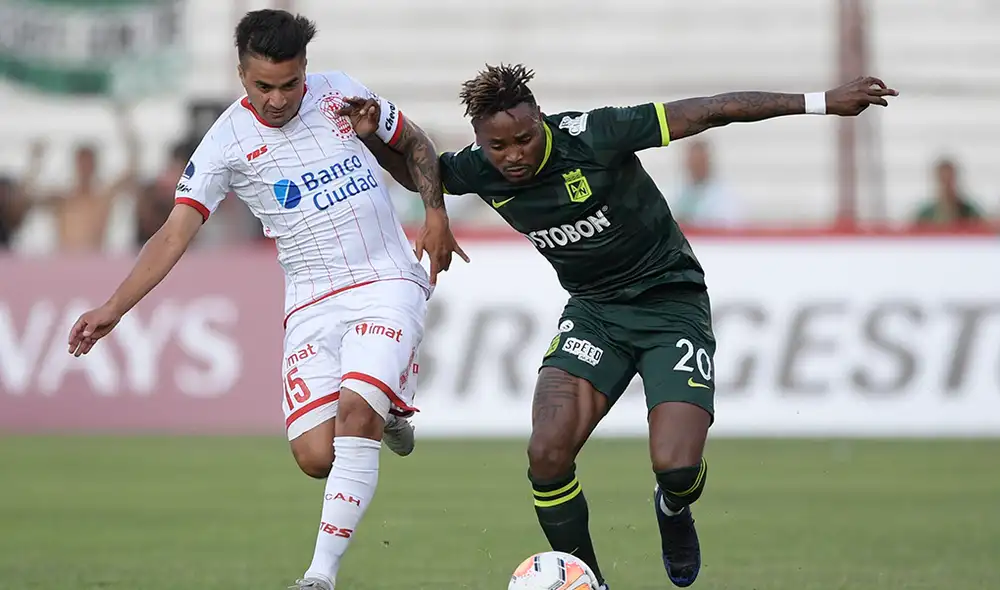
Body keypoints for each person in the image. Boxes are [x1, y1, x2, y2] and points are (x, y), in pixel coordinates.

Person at [342, 63, 897, 589]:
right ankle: (589, 579)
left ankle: (673, 506)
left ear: (541, 120)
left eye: (524, 139)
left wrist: (822, 102)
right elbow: (422, 173)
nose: (513, 156)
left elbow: (710, 110)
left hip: (670, 303)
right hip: (594, 313)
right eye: (498, 146)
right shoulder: (478, 168)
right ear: (482, 142)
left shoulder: (597, 135)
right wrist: (372, 137)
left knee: (677, 469)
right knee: (546, 454)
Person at [65, 9, 466, 590]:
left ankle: (318, 576)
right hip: (310, 301)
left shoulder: (342, 93)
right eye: (264, 87)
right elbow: (175, 232)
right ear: (241, 76)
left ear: (306, 70)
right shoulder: (225, 142)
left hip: (386, 280)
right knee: (315, 458)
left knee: (357, 414)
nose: (279, 99)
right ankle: (396, 403)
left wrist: (435, 213)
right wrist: (113, 307)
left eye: (291, 84)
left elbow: (415, 141)